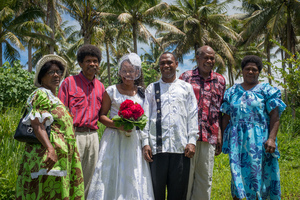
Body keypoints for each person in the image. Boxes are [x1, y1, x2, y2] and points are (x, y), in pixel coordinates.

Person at [16, 54, 84, 199]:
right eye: (51, 72)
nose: (56, 75)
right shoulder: (41, 94)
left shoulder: (53, 97)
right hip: (49, 156)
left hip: (61, 155)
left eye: (59, 72)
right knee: (48, 193)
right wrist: (50, 149)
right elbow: (37, 124)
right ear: (41, 77)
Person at [87, 53, 154, 200]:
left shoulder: (143, 93)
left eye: (131, 71)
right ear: (119, 72)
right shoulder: (111, 91)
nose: (128, 74)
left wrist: (144, 142)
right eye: (124, 71)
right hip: (113, 139)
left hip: (134, 140)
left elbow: (146, 119)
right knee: (111, 172)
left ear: (137, 73)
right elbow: (102, 116)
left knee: (133, 173)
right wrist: (118, 125)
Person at [221, 55, 286, 200]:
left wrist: (271, 139)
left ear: (259, 72)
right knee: (236, 174)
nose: (250, 72)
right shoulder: (232, 92)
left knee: (258, 176)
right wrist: (221, 139)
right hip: (237, 141)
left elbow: (275, 116)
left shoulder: (267, 90)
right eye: (247, 69)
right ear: (242, 71)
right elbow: (226, 117)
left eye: (254, 69)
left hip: (260, 140)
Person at [142, 52, 199, 200]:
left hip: (181, 149)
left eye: (169, 62)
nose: (166, 66)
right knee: (156, 193)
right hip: (156, 149)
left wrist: (192, 141)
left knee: (178, 193)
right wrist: (145, 142)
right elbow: (145, 117)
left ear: (176, 64)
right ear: (159, 66)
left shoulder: (186, 88)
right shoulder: (151, 88)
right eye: (162, 63)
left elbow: (192, 115)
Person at [58, 45, 105, 197]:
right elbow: (60, 113)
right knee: (71, 174)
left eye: (95, 61)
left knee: (90, 177)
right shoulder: (69, 82)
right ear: (80, 63)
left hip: (93, 136)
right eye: (88, 61)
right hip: (74, 135)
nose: (92, 64)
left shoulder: (101, 87)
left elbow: (102, 114)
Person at [179, 45, 226, 200]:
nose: (209, 60)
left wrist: (219, 134)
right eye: (206, 57)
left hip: (209, 136)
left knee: (205, 178)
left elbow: (219, 110)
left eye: (212, 57)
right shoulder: (185, 78)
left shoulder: (220, 80)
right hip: (187, 136)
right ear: (197, 58)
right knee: (185, 178)